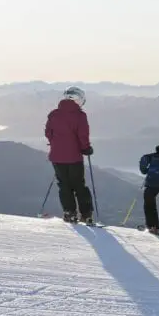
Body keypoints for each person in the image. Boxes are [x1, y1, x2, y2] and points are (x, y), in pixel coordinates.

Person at [44, 86, 95, 224]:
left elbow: (48, 133)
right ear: (79, 100)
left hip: (57, 157)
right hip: (74, 157)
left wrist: (56, 143)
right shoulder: (80, 115)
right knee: (79, 185)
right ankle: (86, 214)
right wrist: (86, 148)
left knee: (64, 186)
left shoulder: (54, 114)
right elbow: (82, 135)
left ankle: (69, 213)